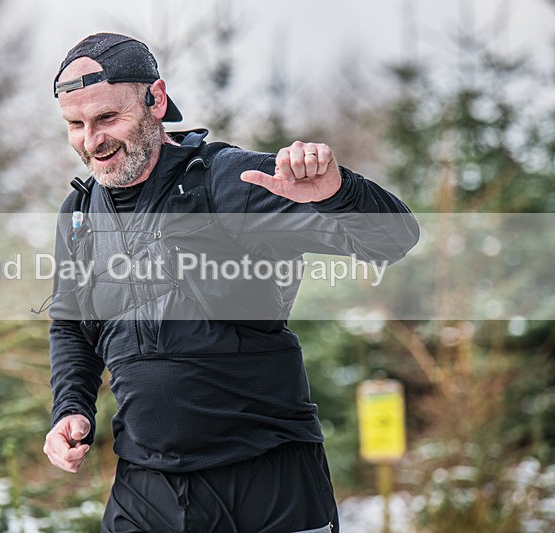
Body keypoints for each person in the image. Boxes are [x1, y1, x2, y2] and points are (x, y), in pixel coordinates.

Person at [42, 32, 419, 533]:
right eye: (76, 125)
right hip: (146, 485)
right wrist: (70, 406)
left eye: (108, 118)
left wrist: (337, 191)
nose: (93, 141)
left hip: (266, 481)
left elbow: (393, 240)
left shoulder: (230, 183)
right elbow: (72, 326)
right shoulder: (79, 214)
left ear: (155, 99)